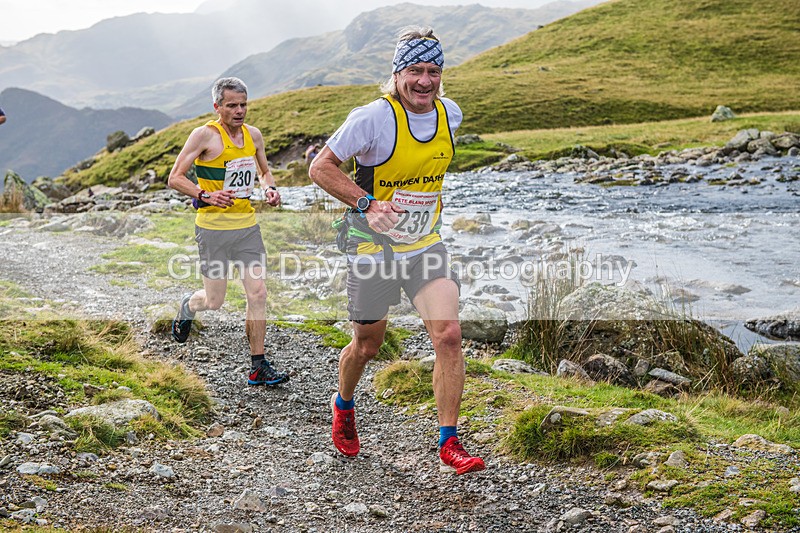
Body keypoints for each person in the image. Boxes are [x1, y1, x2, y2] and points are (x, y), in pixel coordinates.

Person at [309, 27, 485, 475]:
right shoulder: (372, 117)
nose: (424, 81)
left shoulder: (451, 114)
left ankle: (449, 441)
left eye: (433, 71)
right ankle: (343, 405)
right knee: (368, 345)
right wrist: (366, 204)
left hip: (425, 243)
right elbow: (320, 167)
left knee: (448, 336)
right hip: (371, 246)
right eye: (414, 71)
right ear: (397, 73)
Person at [168, 77, 289, 387]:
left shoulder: (254, 136)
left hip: (246, 228)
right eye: (232, 105)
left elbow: (264, 171)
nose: (239, 111)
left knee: (258, 293)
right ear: (217, 107)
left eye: (243, 104)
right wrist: (205, 195)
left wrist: (270, 189)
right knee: (214, 301)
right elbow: (175, 177)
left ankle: (258, 366)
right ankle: (188, 305)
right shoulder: (204, 136)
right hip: (213, 231)